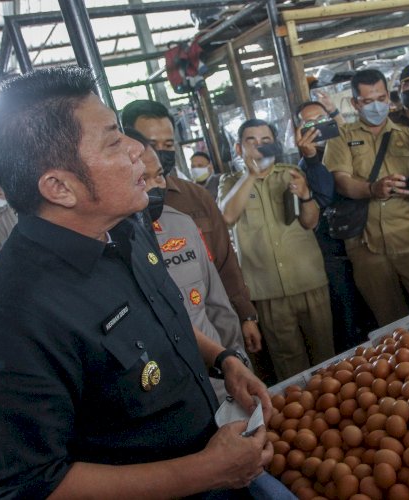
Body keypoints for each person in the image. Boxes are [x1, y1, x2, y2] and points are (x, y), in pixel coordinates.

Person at [0, 66, 279, 498]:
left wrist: (224, 360)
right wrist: (204, 472)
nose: (138, 152)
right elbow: (29, 485)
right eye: (114, 140)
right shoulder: (12, 318)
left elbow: (157, 319)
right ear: (60, 187)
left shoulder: (128, 227)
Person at [121, 100, 262, 357]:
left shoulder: (193, 199)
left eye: (168, 145)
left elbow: (224, 260)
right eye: (151, 144)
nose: (159, 152)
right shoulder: (118, 219)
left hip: (213, 332)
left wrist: (246, 314)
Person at [130, 127, 249, 403]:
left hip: (220, 383)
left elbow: (218, 306)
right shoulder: (109, 246)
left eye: (158, 175)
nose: (155, 186)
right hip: (171, 396)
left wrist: (238, 362)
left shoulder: (181, 224)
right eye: (142, 178)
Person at [323, 69, 409, 326]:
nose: (377, 106)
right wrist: (372, 189)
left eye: (381, 98)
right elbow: (342, 182)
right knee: (391, 324)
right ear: (355, 103)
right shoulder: (342, 137)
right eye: (368, 101)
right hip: (367, 247)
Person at [219, 119, 334, 380]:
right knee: (289, 367)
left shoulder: (291, 172)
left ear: (276, 145)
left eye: (266, 141)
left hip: (309, 281)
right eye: (252, 141)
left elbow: (310, 221)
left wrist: (305, 195)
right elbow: (227, 216)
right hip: (267, 291)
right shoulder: (230, 182)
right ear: (239, 149)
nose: (260, 147)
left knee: (326, 358)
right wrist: (250, 174)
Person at [294, 101, 375, 352]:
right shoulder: (304, 165)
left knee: (377, 304)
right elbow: (325, 196)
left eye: (322, 118)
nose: (317, 127)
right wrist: (311, 158)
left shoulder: (353, 147)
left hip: (366, 238)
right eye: (309, 123)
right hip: (333, 250)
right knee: (347, 312)